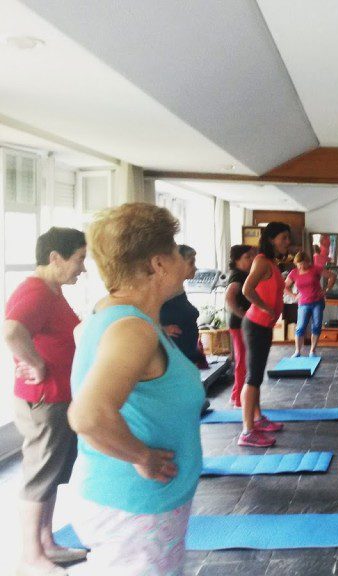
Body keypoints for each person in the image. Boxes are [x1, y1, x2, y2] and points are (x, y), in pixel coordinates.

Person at [66, 203, 203, 574]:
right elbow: (88, 416)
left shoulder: (112, 314)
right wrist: (142, 457)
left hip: (134, 503)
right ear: (158, 264)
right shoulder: (133, 330)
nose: (183, 262)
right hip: (134, 508)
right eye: (177, 253)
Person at [4, 227, 88, 575]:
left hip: (59, 397)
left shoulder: (52, 291)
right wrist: (36, 365)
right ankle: (31, 555)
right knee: (39, 475)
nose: (83, 268)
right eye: (79, 259)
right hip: (44, 400)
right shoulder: (36, 291)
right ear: (55, 258)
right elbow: (11, 331)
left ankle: (46, 543)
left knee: (51, 474)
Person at [239, 222, 291, 448]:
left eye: (288, 238)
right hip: (256, 325)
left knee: (257, 376)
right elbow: (246, 289)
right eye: (283, 238)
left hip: (263, 326)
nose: (287, 242)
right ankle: (247, 432)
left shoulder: (269, 261)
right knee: (253, 378)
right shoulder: (261, 261)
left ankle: (257, 418)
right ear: (271, 238)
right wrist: (265, 307)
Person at [159, 245, 207, 369]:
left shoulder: (178, 289)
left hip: (186, 355)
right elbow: (141, 316)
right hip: (173, 356)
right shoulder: (162, 289)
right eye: (191, 263)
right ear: (177, 264)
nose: (195, 268)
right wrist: (161, 329)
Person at [285, 251, 337, 357]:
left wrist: (326, 290)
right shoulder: (294, 273)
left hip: (317, 302)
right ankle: (297, 351)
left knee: (316, 326)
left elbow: (332, 276)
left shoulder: (316, 269)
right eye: (298, 264)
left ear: (308, 262)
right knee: (300, 327)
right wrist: (294, 295)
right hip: (303, 303)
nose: (301, 266)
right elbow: (284, 286)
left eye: (303, 263)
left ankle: (312, 350)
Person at [225, 244, 256, 408]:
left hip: (241, 324)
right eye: (247, 257)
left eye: (251, 256)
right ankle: (238, 399)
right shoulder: (237, 275)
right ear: (237, 260)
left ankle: (235, 395)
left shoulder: (244, 274)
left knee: (244, 359)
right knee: (242, 361)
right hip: (239, 324)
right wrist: (243, 316)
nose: (251, 260)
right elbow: (229, 296)